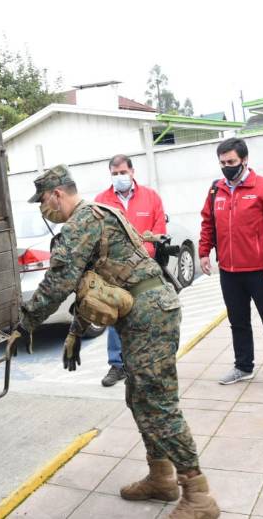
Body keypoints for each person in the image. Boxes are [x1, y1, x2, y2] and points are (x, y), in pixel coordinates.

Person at [13, 165, 219, 518]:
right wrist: (76, 332)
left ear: (57, 194)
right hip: (141, 313)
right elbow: (92, 285)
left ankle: (198, 496)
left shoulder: (82, 220)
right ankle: (161, 478)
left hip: (149, 314)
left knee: (157, 403)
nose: (42, 209)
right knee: (139, 397)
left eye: (43, 201)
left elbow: (60, 280)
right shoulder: (98, 213)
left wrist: (26, 322)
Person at [199, 137, 263, 392]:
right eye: (222, 162)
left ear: (244, 159)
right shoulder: (215, 190)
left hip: (260, 271)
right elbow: (208, 222)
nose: (227, 166)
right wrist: (204, 251)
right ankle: (243, 366)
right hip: (229, 271)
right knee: (238, 322)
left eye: (231, 161)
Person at [95, 154, 167, 387]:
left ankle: (150, 363)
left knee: (149, 315)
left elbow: (159, 230)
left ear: (132, 172)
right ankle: (118, 365)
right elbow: (98, 235)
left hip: (146, 270)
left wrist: (141, 256)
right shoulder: (101, 200)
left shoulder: (151, 197)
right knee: (116, 316)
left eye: (123, 173)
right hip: (115, 272)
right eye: (115, 174)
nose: (119, 177)